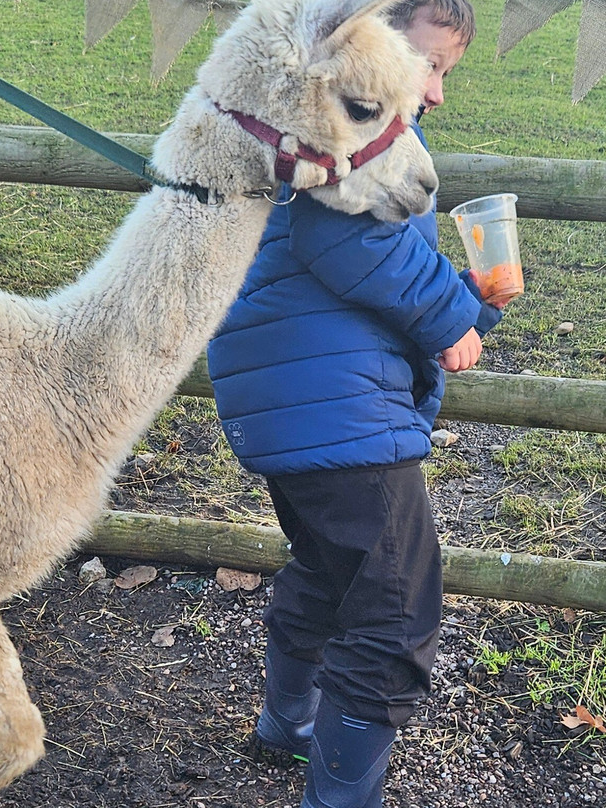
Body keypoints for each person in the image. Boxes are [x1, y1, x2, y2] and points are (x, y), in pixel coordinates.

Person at [206, 1, 503, 806]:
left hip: (300, 391)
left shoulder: (361, 131)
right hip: (335, 405)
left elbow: (382, 256)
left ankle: (288, 725)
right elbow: (347, 239)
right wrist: (447, 316)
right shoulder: (341, 127)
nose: (437, 91)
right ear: (368, 42)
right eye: (430, 64)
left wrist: (469, 304)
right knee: (397, 611)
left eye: (446, 73)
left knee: (334, 572)